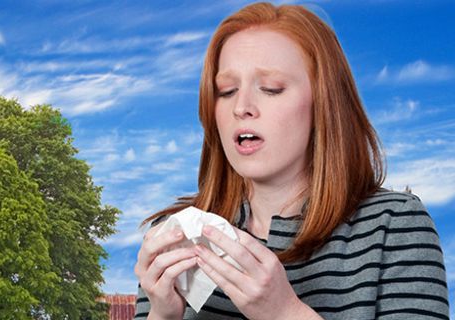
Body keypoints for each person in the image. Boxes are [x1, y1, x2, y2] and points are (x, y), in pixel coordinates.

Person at [133, 2, 449, 320]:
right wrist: (161, 314)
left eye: (271, 89)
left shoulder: (394, 226)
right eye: (226, 91)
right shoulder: (172, 237)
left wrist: (284, 312)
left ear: (324, 104)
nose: (241, 107)